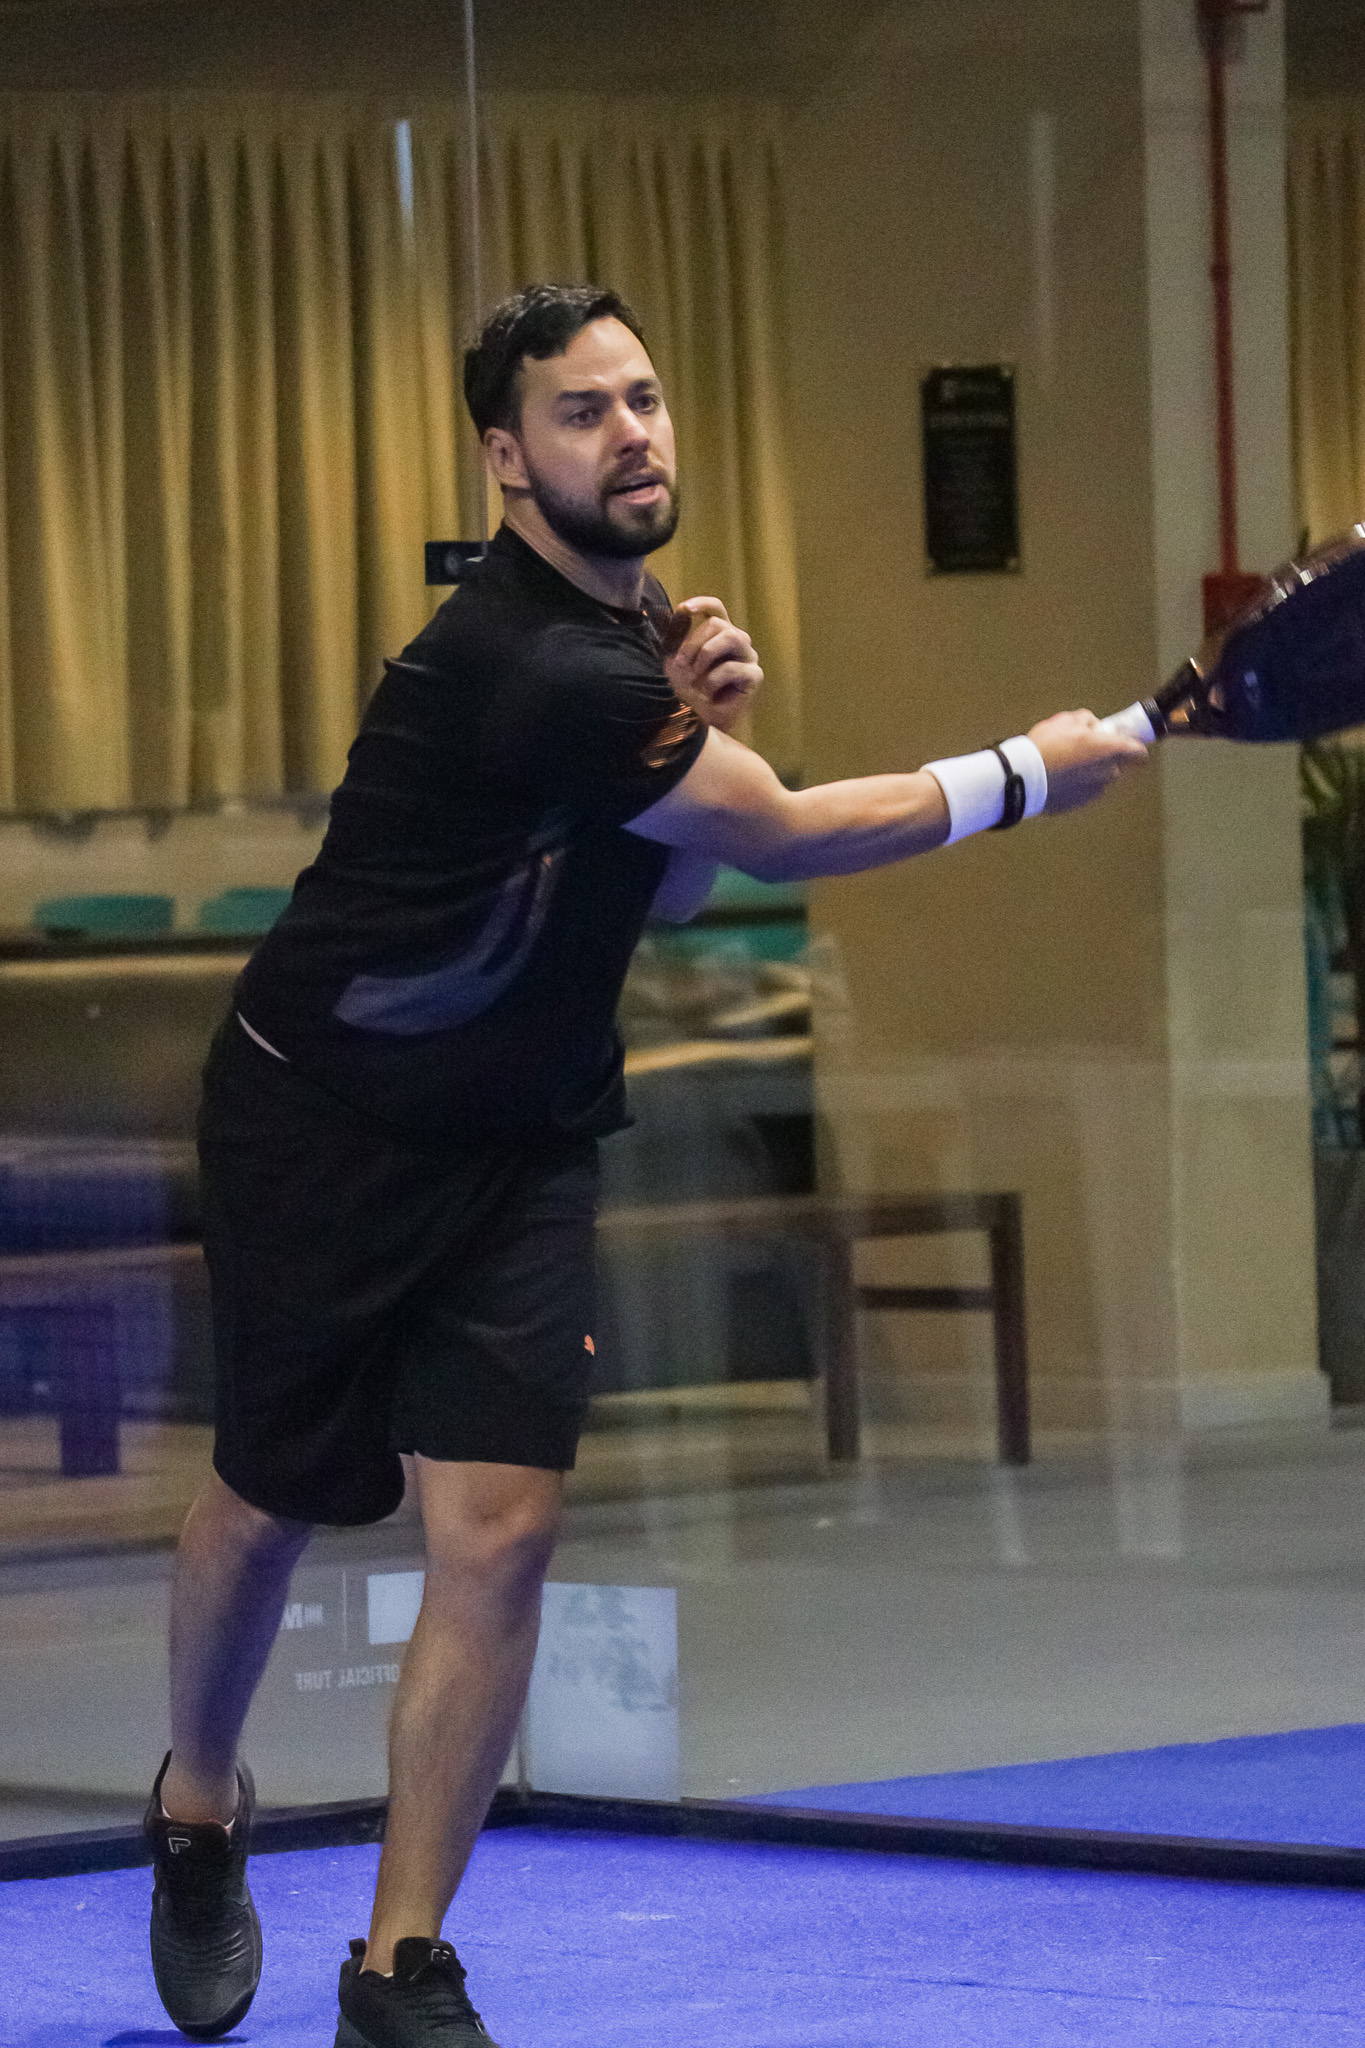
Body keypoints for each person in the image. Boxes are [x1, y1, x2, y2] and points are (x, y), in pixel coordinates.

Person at [141, 282, 1146, 2048]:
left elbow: (672, 884)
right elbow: (784, 834)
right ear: (505, 458)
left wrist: (684, 729)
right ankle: (199, 1800)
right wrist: (1025, 773)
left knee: (503, 1530)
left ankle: (398, 1965)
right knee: (268, 1504)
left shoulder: (634, 656)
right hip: (324, 1129)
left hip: (523, 1139)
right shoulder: (525, 659)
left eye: (645, 399)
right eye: (583, 410)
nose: (632, 434)